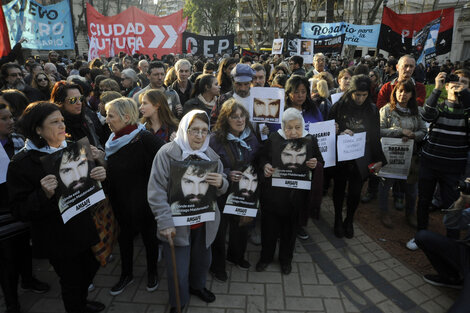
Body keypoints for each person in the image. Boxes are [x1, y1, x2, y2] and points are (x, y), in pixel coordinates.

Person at [7, 102, 106, 313]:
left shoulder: (72, 147)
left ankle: (81, 300)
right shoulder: (21, 163)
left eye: (62, 120)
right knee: (71, 281)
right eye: (54, 122)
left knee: (91, 266)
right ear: (38, 129)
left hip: (82, 226)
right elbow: (19, 209)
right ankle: (77, 306)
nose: (62, 125)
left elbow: (87, 185)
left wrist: (99, 170)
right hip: (56, 235)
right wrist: (42, 194)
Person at [147, 110, 228, 313]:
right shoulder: (167, 154)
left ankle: (197, 286)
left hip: (204, 221)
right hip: (177, 224)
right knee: (178, 268)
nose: (200, 136)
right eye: (194, 130)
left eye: (204, 131)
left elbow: (220, 188)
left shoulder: (212, 156)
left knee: (202, 260)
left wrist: (222, 183)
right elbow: (156, 192)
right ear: (184, 129)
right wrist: (164, 222)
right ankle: (178, 300)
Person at [104, 97, 164, 296]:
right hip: (120, 202)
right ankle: (126, 274)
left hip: (144, 203)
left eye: (110, 116)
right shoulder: (112, 139)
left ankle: (152, 273)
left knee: (149, 239)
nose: (106, 120)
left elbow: (167, 158)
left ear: (126, 117)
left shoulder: (143, 137)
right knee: (125, 240)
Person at [406, 71, 470, 251]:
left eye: (463, 83)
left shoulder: (467, 113)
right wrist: (437, 88)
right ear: (447, 85)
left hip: (453, 169)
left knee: (453, 205)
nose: (458, 85)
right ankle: (420, 237)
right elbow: (426, 115)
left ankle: (453, 244)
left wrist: (464, 95)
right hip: (430, 163)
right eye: (454, 82)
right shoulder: (440, 107)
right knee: (424, 200)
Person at [257, 108, 322, 274]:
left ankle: (286, 260)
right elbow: (261, 157)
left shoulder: (310, 140)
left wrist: (315, 164)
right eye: (289, 127)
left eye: (297, 127)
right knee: (269, 230)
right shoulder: (274, 139)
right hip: (272, 197)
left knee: (290, 232)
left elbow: (319, 162)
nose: (293, 132)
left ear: (302, 126)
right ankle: (266, 258)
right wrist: (265, 166)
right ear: (283, 127)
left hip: (296, 198)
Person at [0, 102, 50, 313]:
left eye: (11, 117)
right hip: (2, 214)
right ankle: (11, 301)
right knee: (6, 259)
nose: (10, 122)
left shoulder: (19, 141)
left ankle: (28, 280)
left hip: (25, 205)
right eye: (4, 119)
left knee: (25, 249)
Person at [209, 99, 260, 282]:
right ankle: (218, 266)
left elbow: (257, 159)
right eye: (234, 117)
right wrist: (227, 173)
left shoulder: (251, 136)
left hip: (244, 189)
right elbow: (210, 165)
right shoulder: (215, 139)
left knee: (241, 224)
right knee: (220, 230)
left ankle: (236, 256)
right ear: (225, 119)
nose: (240, 120)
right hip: (223, 190)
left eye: (242, 116)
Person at [328, 75, 386, 239]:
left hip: (362, 158)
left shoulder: (372, 110)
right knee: (339, 190)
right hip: (341, 157)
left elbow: (375, 136)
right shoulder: (339, 107)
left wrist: (379, 159)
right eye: (357, 95)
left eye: (364, 95)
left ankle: (349, 219)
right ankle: (338, 219)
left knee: (355, 193)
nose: (360, 99)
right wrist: (338, 131)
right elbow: (327, 130)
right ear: (351, 92)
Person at [378, 80, 427, 228]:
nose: (402, 94)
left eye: (406, 92)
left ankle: (410, 214)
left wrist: (413, 135)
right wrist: (399, 132)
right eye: (400, 91)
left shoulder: (417, 111)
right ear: (395, 92)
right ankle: (384, 212)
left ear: (412, 94)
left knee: (412, 189)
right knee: (386, 185)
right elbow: (378, 130)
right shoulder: (387, 110)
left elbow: (423, 131)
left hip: (410, 155)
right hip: (389, 155)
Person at [415, 184, 470, 313]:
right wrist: (461, 202)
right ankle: (451, 278)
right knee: (423, 237)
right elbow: (450, 223)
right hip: (466, 252)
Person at [51, 81, 107, 149]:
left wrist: (99, 153)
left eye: (81, 98)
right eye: (73, 100)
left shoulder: (87, 117)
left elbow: (98, 142)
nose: (79, 103)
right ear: (60, 102)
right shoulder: (54, 126)